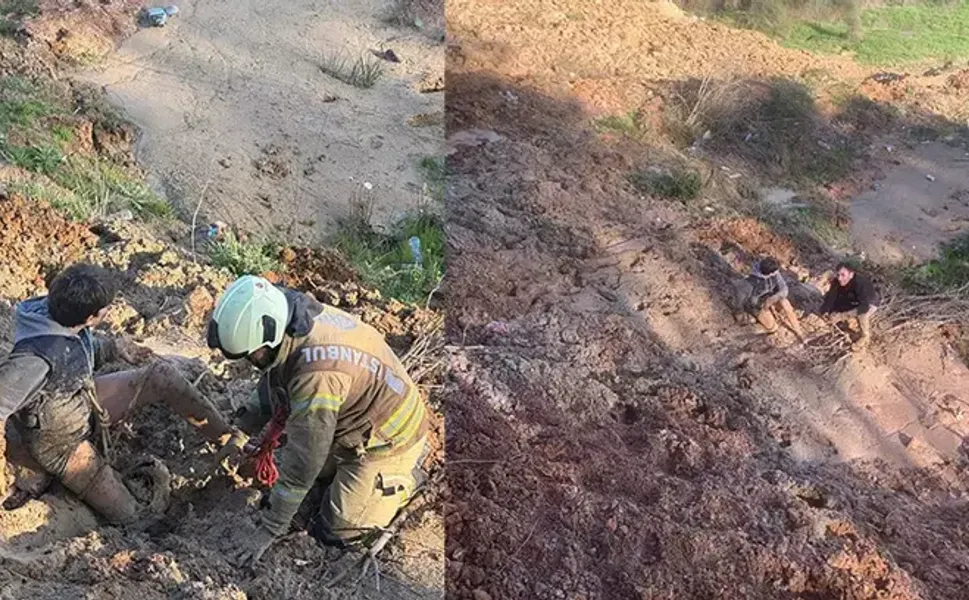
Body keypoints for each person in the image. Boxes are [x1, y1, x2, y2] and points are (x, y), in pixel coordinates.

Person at [208, 275, 430, 566]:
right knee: (307, 480)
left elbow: (304, 460)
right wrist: (241, 428)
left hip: (387, 442)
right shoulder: (292, 317)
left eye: (252, 356)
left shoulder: (316, 373)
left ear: (270, 337)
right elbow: (274, 378)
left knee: (338, 533)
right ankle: (339, 474)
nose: (251, 362)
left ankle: (403, 483)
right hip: (349, 423)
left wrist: (270, 529)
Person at [0, 263, 245, 522]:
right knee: (133, 516)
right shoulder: (34, 360)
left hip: (78, 401)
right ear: (90, 317)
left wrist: (113, 347)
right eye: (105, 309)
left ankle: (228, 438)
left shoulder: (57, 313)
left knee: (162, 376)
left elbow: (73, 345)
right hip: (58, 443)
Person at [731, 256, 806, 341]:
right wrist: (739, 314)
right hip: (757, 305)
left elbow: (784, 289)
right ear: (768, 274)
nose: (777, 274)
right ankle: (756, 324)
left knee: (785, 303)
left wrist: (771, 300)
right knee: (774, 328)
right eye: (774, 273)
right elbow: (742, 301)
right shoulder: (748, 282)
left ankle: (800, 333)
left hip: (769, 298)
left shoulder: (774, 272)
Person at [818, 262, 879, 351]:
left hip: (869, 303)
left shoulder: (859, 284)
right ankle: (844, 321)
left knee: (861, 313)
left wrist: (841, 316)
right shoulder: (837, 281)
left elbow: (863, 307)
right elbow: (831, 298)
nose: (840, 278)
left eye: (843, 275)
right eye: (838, 275)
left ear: (851, 274)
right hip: (853, 300)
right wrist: (825, 311)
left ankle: (865, 337)